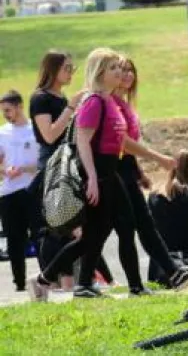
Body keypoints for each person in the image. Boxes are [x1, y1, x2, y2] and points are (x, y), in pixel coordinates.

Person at [27, 48, 146, 300]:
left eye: (119, 67)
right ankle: (52, 280)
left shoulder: (109, 101)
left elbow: (120, 140)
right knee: (96, 235)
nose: (119, 72)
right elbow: (82, 140)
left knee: (117, 229)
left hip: (110, 171)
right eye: (113, 68)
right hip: (98, 173)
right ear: (100, 72)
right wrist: (91, 178)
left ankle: (131, 286)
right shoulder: (93, 101)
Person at [112, 55, 188, 291]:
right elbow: (121, 143)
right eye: (122, 70)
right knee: (111, 233)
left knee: (142, 226)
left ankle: (170, 275)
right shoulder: (110, 104)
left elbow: (128, 148)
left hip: (125, 172)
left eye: (131, 70)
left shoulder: (124, 104)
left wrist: (139, 173)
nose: (128, 75)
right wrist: (157, 158)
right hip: (112, 174)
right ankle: (52, 277)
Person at [28, 51, 85, 279]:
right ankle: (52, 279)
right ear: (53, 70)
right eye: (67, 69)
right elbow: (49, 135)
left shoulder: (61, 99)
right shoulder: (40, 98)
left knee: (69, 224)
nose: (71, 73)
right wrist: (71, 108)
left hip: (68, 162)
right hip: (52, 166)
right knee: (55, 225)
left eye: (73, 68)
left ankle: (70, 279)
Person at [0, 90, 39, 292]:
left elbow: (43, 161)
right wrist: (6, 170)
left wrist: (24, 169)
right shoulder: (2, 133)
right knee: (14, 239)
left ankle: (46, 277)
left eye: (8, 110)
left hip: (32, 190)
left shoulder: (35, 129)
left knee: (39, 234)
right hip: (8, 193)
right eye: (3, 111)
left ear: (19, 106)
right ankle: (20, 283)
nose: (6, 114)